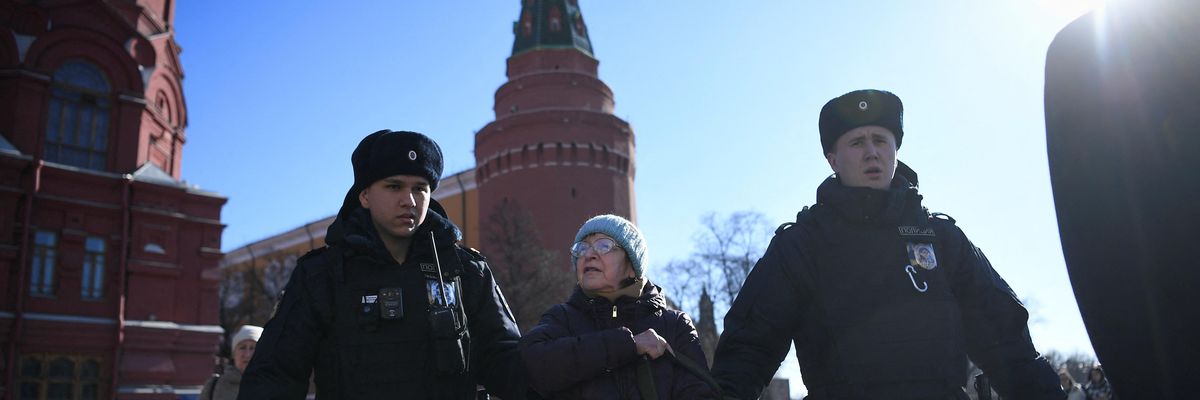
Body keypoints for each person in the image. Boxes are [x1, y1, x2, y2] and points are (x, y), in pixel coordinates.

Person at [710, 90, 1065, 399]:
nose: (871, 153)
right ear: (833, 160)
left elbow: (1006, 343)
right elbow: (749, 349)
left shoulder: (942, 240)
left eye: (881, 140)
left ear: (896, 150)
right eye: (856, 142)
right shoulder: (801, 245)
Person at [239, 130, 527, 399]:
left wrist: (563, 363)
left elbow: (506, 360)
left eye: (420, 188)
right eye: (394, 187)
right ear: (364, 195)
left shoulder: (465, 271)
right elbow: (275, 374)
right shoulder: (322, 275)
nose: (409, 201)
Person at [519, 215, 720, 399]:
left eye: (603, 245)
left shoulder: (674, 325)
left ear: (632, 266)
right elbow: (530, 367)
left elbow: (699, 393)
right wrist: (627, 345)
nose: (589, 254)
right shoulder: (561, 318)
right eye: (582, 248)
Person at [200, 325, 262, 400]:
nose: (247, 354)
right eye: (242, 347)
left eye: (253, 348)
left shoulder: (273, 387)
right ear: (233, 354)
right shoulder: (213, 386)